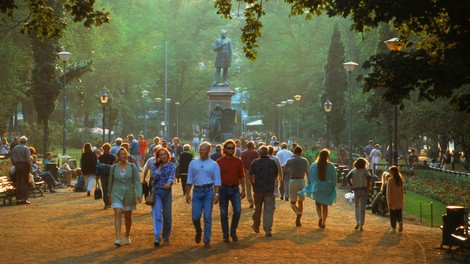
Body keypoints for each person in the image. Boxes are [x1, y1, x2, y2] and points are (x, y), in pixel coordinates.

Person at [185, 142, 221, 248]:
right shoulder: (193, 163)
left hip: (208, 191)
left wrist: (216, 194)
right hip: (197, 190)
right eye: (200, 149)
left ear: (209, 151)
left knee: (207, 216)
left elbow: (217, 181)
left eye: (204, 149)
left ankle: (207, 239)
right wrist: (187, 193)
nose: (201, 151)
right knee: (195, 217)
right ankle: (198, 230)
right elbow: (190, 179)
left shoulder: (214, 164)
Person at [108, 147, 142, 247]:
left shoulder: (132, 167)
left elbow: (137, 181)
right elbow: (110, 182)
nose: (124, 155)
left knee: (128, 216)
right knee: (118, 213)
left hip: (129, 194)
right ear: (118, 157)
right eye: (121, 154)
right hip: (116, 193)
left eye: (125, 153)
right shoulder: (113, 168)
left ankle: (127, 235)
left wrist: (139, 194)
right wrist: (109, 194)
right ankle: (118, 238)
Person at [216, 139, 246, 242]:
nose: (231, 150)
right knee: (223, 213)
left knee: (237, 211)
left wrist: (244, 190)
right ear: (224, 149)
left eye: (233, 148)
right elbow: (216, 178)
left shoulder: (238, 161)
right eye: (229, 148)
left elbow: (242, 177)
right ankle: (225, 234)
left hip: (234, 189)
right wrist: (216, 192)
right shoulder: (219, 162)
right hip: (223, 189)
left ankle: (233, 231)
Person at [299, 148, 336, 229]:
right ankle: (323, 222)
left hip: (317, 186)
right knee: (325, 206)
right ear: (327, 156)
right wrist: (333, 186)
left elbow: (310, 177)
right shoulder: (331, 166)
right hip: (327, 187)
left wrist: (310, 186)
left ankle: (320, 217)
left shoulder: (314, 165)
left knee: (318, 204)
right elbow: (333, 178)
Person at [249, 146, 278, 237]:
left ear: (259, 152)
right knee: (269, 210)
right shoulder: (272, 162)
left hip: (258, 189)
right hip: (269, 189)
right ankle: (268, 229)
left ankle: (256, 225)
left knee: (257, 208)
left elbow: (250, 175)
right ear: (268, 152)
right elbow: (275, 175)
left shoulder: (255, 162)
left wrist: (253, 184)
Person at [151, 147, 176, 247]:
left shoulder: (171, 166)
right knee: (157, 215)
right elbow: (155, 177)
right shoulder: (154, 166)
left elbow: (171, 177)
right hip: (157, 191)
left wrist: (169, 183)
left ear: (168, 155)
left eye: (165, 154)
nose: (163, 156)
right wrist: (159, 167)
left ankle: (166, 236)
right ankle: (157, 236)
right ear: (158, 157)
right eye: (161, 155)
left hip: (167, 192)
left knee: (167, 216)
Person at [284, 146, 310, 226]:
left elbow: (284, 169)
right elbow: (307, 172)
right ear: (301, 152)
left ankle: (297, 212)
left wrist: (290, 170)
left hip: (293, 180)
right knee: (301, 201)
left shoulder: (290, 160)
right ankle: (299, 219)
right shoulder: (304, 160)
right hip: (301, 181)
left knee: (292, 202)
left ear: (293, 152)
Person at [346, 157, 371, 231]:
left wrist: (351, 184)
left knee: (356, 206)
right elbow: (369, 177)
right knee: (362, 207)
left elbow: (347, 177)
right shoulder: (365, 171)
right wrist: (368, 184)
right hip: (364, 189)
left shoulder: (353, 171)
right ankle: (362, 225)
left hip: (356, 189)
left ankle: (357, 222)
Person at [11, 136, 32, 205]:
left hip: (17, 165)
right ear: (25, 142)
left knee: (18, 182)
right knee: (25, 182)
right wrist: (30, 166)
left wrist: (15, 164)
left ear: (20, 141)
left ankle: (18, 199)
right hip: (24, 165)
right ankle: (24, 199)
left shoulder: (15, 148)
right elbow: (28, 159)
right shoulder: (26, 148)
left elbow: (12, 158)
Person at [240, 141, 259, 208]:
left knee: (248, 187)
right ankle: (256, 200)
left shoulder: (243, 153)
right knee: (256, 186)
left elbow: (242, 163)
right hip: (255, 171)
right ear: (252, 146)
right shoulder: (255, 152)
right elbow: (258, 162)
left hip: (247, 171)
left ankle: (250, 201)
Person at [97, 143, 116, 209]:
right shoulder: (113, 157)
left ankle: (106, 203)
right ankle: (110, 202)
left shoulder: (101, 157)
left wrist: (97, 175)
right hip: (111, 175)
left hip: (103, 175)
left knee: (105, 190)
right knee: (110, 189)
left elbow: (98, 167)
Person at [387, 166, 405, 233]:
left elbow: (389, 191)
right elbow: (402, 191)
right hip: (399, 199)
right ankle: (400, 221)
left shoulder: (390, 180)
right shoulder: (400, 180)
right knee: (399, 214)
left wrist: (389, 201)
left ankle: (393, 227)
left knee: (392, 215)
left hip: (393, 199)